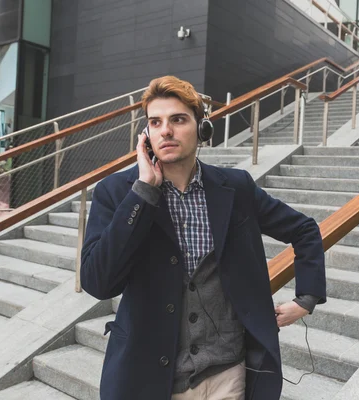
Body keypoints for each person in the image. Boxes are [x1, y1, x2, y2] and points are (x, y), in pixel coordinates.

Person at [80, 76, 326, 400]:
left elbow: (305, 230)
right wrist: (143, 194)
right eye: (156, 122)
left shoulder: (235, 187)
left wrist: (305, 299)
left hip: (228, 375)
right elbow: (98, 282)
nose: (165, 130)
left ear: (202, 128)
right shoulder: (118, 193)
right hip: (150, 380)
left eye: (178, 119)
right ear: (146, 135)